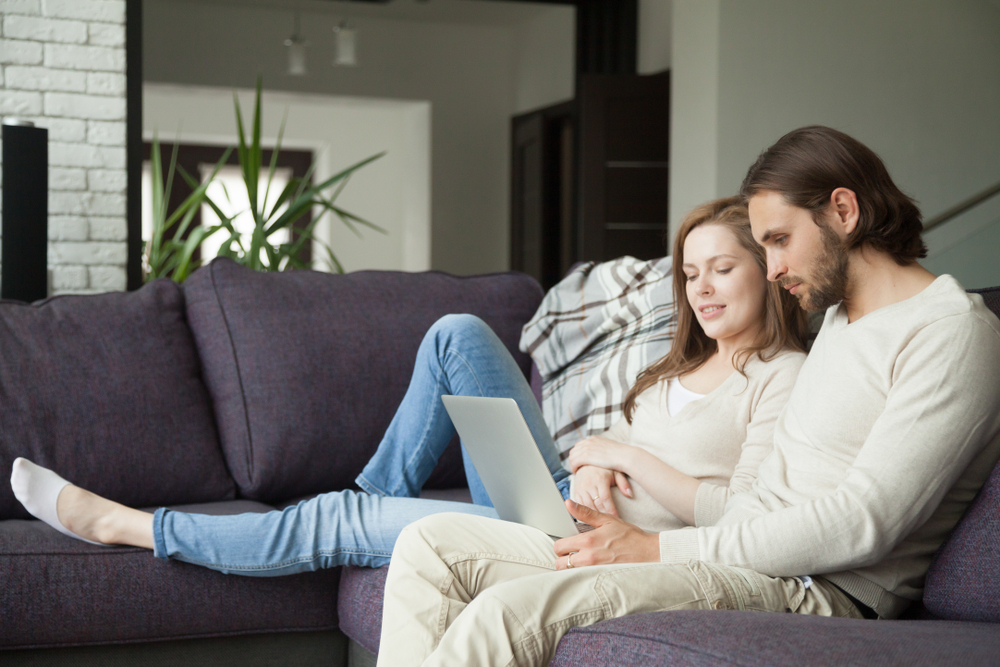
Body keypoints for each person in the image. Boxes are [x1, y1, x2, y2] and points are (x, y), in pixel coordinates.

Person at [373, 126, 1000, 667]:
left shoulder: (950, 331)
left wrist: (655, 549)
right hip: (744, 553)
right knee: (430, 548)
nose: (774, 269)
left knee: (509, 612)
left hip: (817, 589)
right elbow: (752, 498)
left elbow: (865, 524)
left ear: (843, 210)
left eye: (779, 240)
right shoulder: (839, 317)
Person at [9, 197, 807, 576]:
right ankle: (374, 500)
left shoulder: (782, 377)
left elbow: (747, 516)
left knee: (325, 519)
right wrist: (597, 460)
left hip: (583, 543)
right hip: (565, 492)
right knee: (456, 332)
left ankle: (131, 527)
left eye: (723, 269)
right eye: (691, 272)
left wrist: (618, 456)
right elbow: (628, 451)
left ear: (768, 271)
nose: (701, 289)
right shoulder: (675, 361)